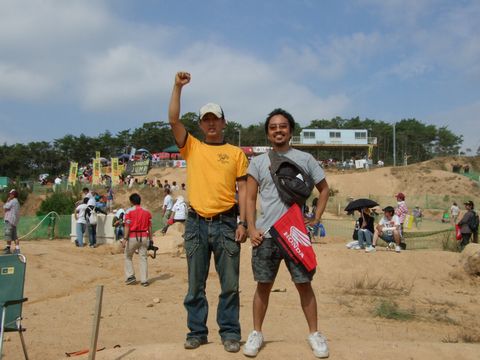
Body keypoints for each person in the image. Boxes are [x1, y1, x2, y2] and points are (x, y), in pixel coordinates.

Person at [168, 71, 248, 353]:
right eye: (206, 119)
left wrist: (245, 222)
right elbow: (174, 120)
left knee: (230, 285)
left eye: (216, 118)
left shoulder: (237, 153)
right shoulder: (192, 147)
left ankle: (229, 332)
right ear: (201, 124)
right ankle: (197, 332)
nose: (211, 123)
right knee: (195, 285)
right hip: (196, 224)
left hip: (227, 223)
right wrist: (177, 87)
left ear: (224, 122)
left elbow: (244, 191)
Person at [244, 108, 330, 358]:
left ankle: (314, 334)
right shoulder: (258, 162)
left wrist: (315, 218)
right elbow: (250, 198)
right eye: (273, 127)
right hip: (266, 236)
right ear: (268, 133)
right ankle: (256, 333)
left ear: (291, 130)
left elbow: (324, 190)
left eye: (283, 126)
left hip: (295, 235)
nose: (278, 130)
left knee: (304, 285)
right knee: (263, 286)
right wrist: (251, 228)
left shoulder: (306, 159)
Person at [122, 193, 152, 286]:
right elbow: (150, 227)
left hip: (132, 236)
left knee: (128, 256)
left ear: (131, 201)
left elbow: (127, 226)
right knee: (143, 258)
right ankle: (144, 280)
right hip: (144, 236)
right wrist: (150, 239)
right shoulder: (147, 212)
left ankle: (130, 276)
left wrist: (125, 238)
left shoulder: (128, 212)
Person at [3, 189, 21, 254]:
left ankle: (8, 249)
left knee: (8, 235)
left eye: (10, 194)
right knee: (14, 236)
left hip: (9, 220)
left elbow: (5, 207)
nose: (9, 195)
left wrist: (7, 201)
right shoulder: (17, 202)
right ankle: (17, 249)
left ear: (13, 195)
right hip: (14, 222)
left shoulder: (12, 201)